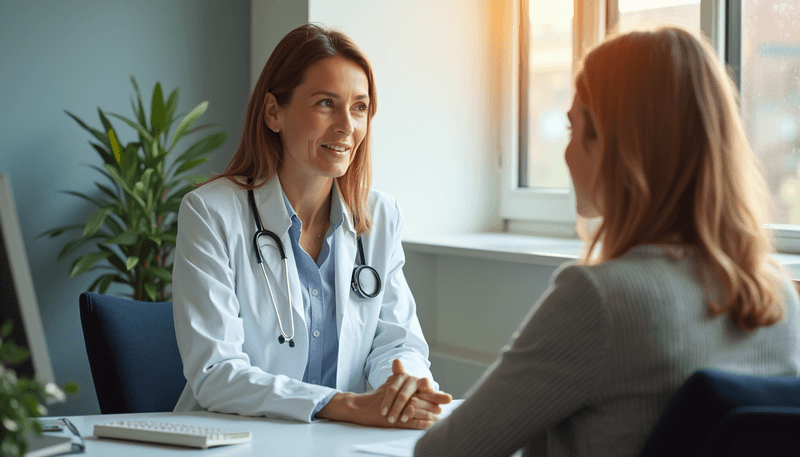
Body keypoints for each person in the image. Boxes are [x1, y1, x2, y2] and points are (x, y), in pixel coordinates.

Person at [415, 26, 800, 456]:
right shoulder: (778, 298)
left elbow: (446, 452)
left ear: (616, 146)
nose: (565, 153)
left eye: (573, 128)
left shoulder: (600, 299)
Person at [172, 23, 451, 428]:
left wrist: (404, 384)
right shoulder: (210, 213)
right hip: (237, 439)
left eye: (359, 107)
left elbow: (398, 341)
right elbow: (217, 373)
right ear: (273, 112)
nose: (346, 127)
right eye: (325, 104)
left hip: (339, 442)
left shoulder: (379, 217)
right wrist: (347, 405)